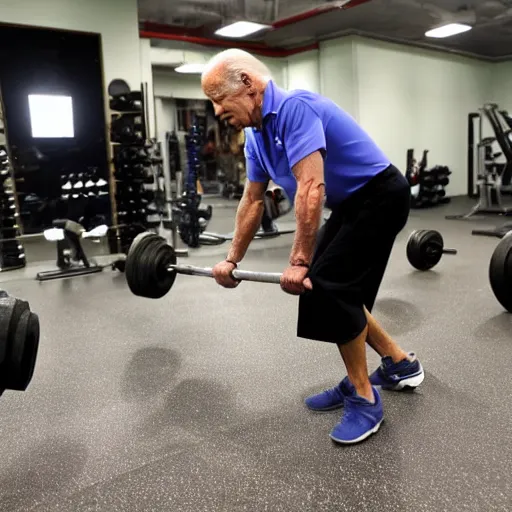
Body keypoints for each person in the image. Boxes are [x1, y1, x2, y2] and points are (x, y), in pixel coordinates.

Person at [201, 49, 424, 445]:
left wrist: (300, 261)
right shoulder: (255, 136)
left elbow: (310, 187)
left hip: (381, 195)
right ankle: (399, 364)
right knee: (334, 287)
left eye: (219, 99)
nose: (216, 111)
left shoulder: (294, 109)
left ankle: (364, 397)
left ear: (248, 85)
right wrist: (230, 259)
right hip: (353, 204)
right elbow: (252, 201)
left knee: (330, 287)